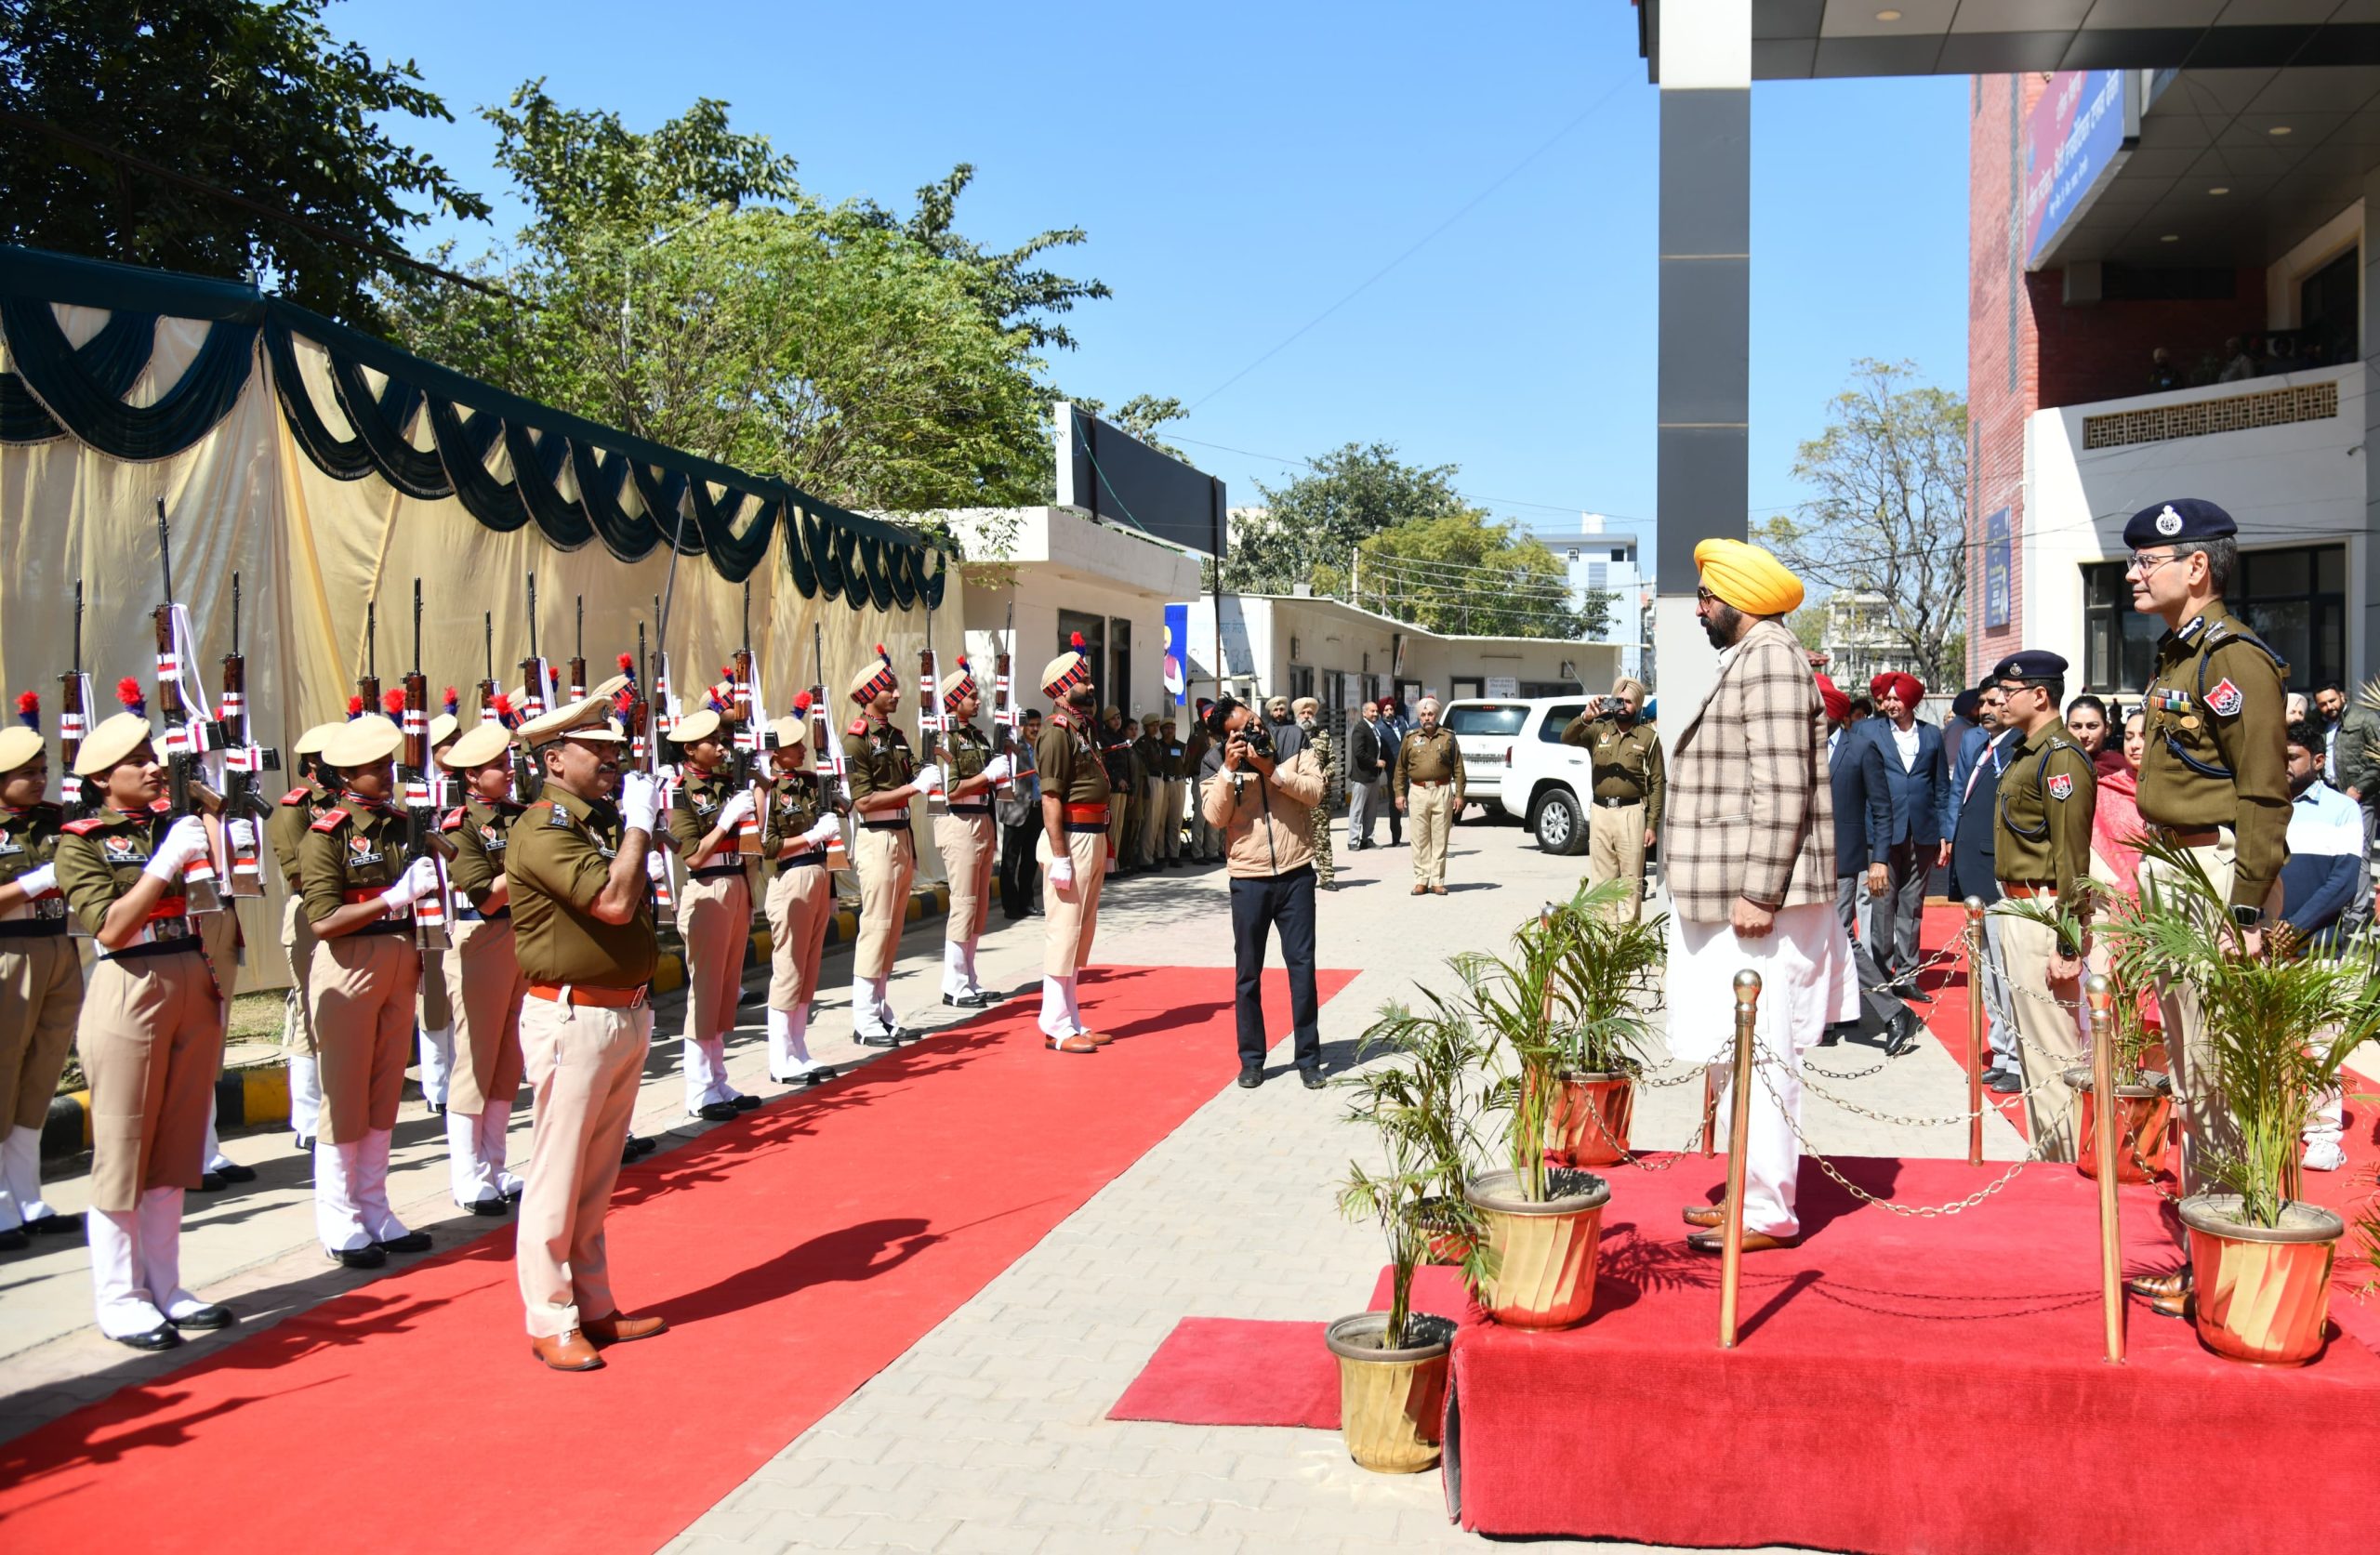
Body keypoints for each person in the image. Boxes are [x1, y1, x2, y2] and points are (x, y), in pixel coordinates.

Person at [2119, 498, 2290, 1322]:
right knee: (2194, 1073)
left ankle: (2221, 1267)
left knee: (2217, 1074)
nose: (2132, 573)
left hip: (2217, 870)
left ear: (2197, 567)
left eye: (2147, 559)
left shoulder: (2233, 660)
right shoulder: (2181, 655)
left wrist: (2248, 911)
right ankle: (2209, 1252)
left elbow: (2262, 793)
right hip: (2179, 862)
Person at [1666, 539, 1855, 1255]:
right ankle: (1750, 1195)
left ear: (1737, 602)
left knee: (1764, 1049)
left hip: (1758, 903)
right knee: (1738, 1050)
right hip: (1744, 898)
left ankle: (1769, 1210)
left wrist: (1760, 890)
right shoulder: (1754, 656)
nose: (1700, 610)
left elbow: (1781, 789)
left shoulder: (1771, 657)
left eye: (1708, 597)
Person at [52, 708, 233, 1346]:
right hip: (130, 983)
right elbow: (110, 926)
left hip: (189, 971)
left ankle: (165, 1282)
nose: (154, 765)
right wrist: (163, 862)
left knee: (177, 1142)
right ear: (103, 779)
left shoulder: (172, 819)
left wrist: (212, 810)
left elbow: (234, 872)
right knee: (125, 1145)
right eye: (137, 761)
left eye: (153, 754)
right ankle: (120, 1294)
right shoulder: (81, 841)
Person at [506, 690, 668, 1371]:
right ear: (553, 758)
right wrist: (636, 827)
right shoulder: (545, 828)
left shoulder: (592, 824)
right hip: (574, 1015)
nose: (611, 758)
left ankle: (593, 1303)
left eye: (611, 747)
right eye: (594, 748)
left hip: (621, 1011)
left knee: (596, 1176)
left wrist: (635, 828)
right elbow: (611, 901)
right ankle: (549, 1316)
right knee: (559, 1172)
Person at [301, 714, 439, 1269]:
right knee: (345, 1091)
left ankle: (375, 1207)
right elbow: (323, 920)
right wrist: (391, 901)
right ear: (345, 776)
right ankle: (338, 1217)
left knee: (384, 1088)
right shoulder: (327, 833)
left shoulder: (401, 824)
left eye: (388, 765)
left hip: (398, 957)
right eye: (374, 769)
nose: (387, 775)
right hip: (350, 961)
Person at [1988, 652, 2097, 1161]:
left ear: (2040, 695)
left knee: (2053, 1050)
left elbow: (2072, 856)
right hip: (2019, 906)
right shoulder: (2027, 750)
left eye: (2010, 691)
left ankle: (2066, 1161)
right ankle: (2048, 1153)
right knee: (2033, 1051)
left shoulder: (2061, 757)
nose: (2000, 700)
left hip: (2046, 908)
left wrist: (2069, 939)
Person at [1200, 696, 1329, 1089]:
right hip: (1248, 878)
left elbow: (1315, 791)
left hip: (1296, 874)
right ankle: (1252, 1060)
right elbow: (1214, 817)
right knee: (1248, 974)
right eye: (1240, 731)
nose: (1253, 730)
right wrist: (1229, 769)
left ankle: (1309, 1060)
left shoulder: (1292, 739)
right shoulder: (1215, 761)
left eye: (1252, 720)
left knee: (1302, 968)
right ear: (1226, 738)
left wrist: (1272, 771)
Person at [436, 718, 531, 1214]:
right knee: (476, 1057)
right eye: (497, 766)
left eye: (507, 762)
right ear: (471, 777)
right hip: (481, 936)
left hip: (523, 934)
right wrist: (532, 862)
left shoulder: (521, 814)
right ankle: (466, 1173)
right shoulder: (460, 825)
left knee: (509, 1058)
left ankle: (495, 1163)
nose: (508, 771)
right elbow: (486, 896)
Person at [0, 702, 81, 1248]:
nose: (38, 778)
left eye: (42, 768)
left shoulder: (57, 821)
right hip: (8, 954)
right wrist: (35, 883)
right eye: (26, 772)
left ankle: (27, 1197)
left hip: (59, 949)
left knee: (41, 1074)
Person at [2276, 719, 2366, 1173]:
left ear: (2316, 761)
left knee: (2322, 1045)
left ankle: (2325, 1134)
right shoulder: (2262, 806)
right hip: (2264, 947)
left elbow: (2343, 882)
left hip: (2320, 949)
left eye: (2292, 757)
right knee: (2266, 1045)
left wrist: (2294, 927)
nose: (2283, 765)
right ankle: (2270, 1127)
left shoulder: (2339, 810)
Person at [662, 704, 759, 1121]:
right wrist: (725, 820)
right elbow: (694, 856)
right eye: (712, 742)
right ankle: (699, 1088)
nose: (720, 748)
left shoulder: (724, 784)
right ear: (689, 750)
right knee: (704, 992)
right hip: (707, 889)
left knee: (725, 990)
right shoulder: (680, 791)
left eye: (721, 741)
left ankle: (719, 1078)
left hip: (736, 884)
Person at [1816, 675, 1917, 1055]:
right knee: (1821, 937)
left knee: (1840, 934)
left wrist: (1879, 861)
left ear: (1832, 711)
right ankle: (1824, 1019)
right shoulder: (1800, 748)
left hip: (1845, 859)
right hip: (1809, 860)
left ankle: (1894, 1013)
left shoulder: (1861, 747)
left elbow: (1882, 807)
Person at [844, 646, 931, 1048]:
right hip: (877, 837)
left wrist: (931, 764)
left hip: (900, 835)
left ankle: (880, 1007)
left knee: (893, 929)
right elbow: (862, 801)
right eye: (889, 689)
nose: (896, 694)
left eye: (895, 688)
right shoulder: (857, 739)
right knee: (876, 926)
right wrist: (914, 787)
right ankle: (863, 1017)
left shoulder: (895, 736)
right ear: (870, 694)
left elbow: (915, 772)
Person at [1033, 635, 1109, 1054]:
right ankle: (1055, 1024)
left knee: (1080, 933)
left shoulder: (1082, 729)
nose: (1091, 686)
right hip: (1073, 840)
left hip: (1091, 837)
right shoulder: (1057, 732)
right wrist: (1059, 856)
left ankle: (1072, 1018)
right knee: (1063, 931)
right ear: (1064, 688)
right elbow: (1051, 798)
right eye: (1084, 680)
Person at [267, 721, 341, 1153]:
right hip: (311, 911)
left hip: (350, 914)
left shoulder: (350, 803)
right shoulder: (296, 809)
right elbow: (298, 870)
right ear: (315, 764)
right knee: (309, 1015)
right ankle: (308, 1117)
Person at [760, 699, 841, 1084]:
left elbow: (836, 826)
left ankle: (798, 1046)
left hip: (818, 877)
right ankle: (780, 1057)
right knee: (789, 968)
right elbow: (768, 845)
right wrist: (810, 836)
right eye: (795, 747)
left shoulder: (810, 782)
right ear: (776, 753)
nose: (803, 749)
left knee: (809, 969)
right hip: (790, 878)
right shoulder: (768, 790)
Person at [1946, 684, 2022, 1091]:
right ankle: (2002, 1053)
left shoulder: (2019, 748)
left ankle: (2017, 1061)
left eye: (1996, 703)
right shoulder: (1982, 745)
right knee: (1988, 974)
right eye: (1985, 704)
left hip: (1998, 878)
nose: (1988, 710)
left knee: (2005, 973)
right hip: (1975, 876)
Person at [932, 659, 1010, 1007]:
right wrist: (988, 776)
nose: (979, 702)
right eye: (972, 697)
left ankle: (969, 976)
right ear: (954, 700)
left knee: (978, 906)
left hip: (982, 818)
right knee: (963, 904)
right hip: (959, 820)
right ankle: (954, 983)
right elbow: (951, 789)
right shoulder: (943, 737)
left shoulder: (977, 736)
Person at [1863, 670, 1948, 985]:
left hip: (1923, 833)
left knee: (1912, 907)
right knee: (1883, 907)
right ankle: (1882, 978)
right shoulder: (1870, 733)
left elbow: (1942, 787)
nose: (1891, 704)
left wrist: (1943, 833)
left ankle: (1908, 976)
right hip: (1883, 835)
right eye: (1888, 699)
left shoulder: (1932, 735)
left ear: (1911, 701)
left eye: (1898, 699)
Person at [1562, 677, 1665, 922]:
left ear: (1637, 706)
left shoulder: (1647, 738)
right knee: (1602, 883)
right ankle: (1606, 943)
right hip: (1600, 812)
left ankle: (1627, 944)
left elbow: (1657, 783)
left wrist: (1652, 824)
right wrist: (1586, 716)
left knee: (1631, 882)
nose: (1623, 706)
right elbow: (1567, 737)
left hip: (1631, 814)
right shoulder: (1597, 730)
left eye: (1629, 702)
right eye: (1618, 700)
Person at [414, 711, 463, 1117]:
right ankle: (437, 1084)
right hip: (430, 905)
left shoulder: (463, 794)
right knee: (433, 997)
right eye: (449, 746)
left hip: (464, 906)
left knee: (462, 998)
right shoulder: (417, 800)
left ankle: (462, 1074)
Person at [1393, 697, 1464, 896]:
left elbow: (1458, 768)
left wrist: (1459, 795)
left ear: (1437, 715)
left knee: (1440, 838)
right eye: (1423, 715)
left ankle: (1438, 881)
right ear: (1419, 717)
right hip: (1417, 791)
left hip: (1442, 790)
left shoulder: (1448, 737)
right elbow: (1400, 769)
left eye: (1430, 714)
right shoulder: (1410, 737)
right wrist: (1399, 794)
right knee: (1419, 838)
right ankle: (1421, 881)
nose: (1427, 718)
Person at [2313, 679, 2378, 839]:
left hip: (2360, 796)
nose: (2329, 707)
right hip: (2329, 794)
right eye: (2323, 704)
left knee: (2358, 849)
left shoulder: (2365, 718)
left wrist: (2359, 788)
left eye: (2332, 700)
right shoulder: (2318, 725)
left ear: (2342, 696)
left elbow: (2378, 758)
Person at [998, 708, 1043, 919]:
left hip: (1036, 810)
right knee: (1009, 861)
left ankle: (1027, 903)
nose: (1034, 729)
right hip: (1016, 811)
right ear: (1022, 727)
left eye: (1037, 725)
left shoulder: (1042, 747)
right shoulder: (1012, 747)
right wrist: (1014, 747)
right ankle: (1010, 906)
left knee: (1030, 861)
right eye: (1030, 725)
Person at [1292, 696, 1337, 890]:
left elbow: (1332, 761)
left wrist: (1326, 774)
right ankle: (1300, 879)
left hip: (1319, 797)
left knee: (1322, 837)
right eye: (1303, 713)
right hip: (1297, 797)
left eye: (1310, 713)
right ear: (1297, 716)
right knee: (1297, 838)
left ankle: (1327, 878)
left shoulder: (1323, 736)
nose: (1307, 716)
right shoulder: (1292, 736)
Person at [1344, 699, 1386, 851]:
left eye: (1376, 711)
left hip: (1373, 776)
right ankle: (1353, 841)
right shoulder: (1360, 728)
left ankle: (1367, 839)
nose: (1375, 714)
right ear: (1364, 713)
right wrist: (1375, 762)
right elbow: (1359, 752)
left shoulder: (1375, 728)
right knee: (1357, 809)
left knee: (1371, 809)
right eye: (1372, 711)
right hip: (1362, 775)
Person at [1380, 699, 1411, 845]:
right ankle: (1396, 837)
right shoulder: (1379, 727)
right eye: (1386, 710)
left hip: (1410, 767)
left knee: (1415, 801)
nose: (1389, 713)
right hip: (1393, 770)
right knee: (1395, 803)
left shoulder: (1402, 721)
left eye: (1391, 709)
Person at [2064, 694, 2110, 758]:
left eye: (2092, 726)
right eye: (2076, 726)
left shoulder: (2119, 765)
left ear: (2107, 728)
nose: (2084, 735)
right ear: (2066, 728)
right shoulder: (2054, 763)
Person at [1263, 694, 1306, 763]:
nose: (1279, 713)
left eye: (1281, 709)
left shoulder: (1294, 728)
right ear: (1271, 713)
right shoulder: (1266, 730)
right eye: (1275, 710)